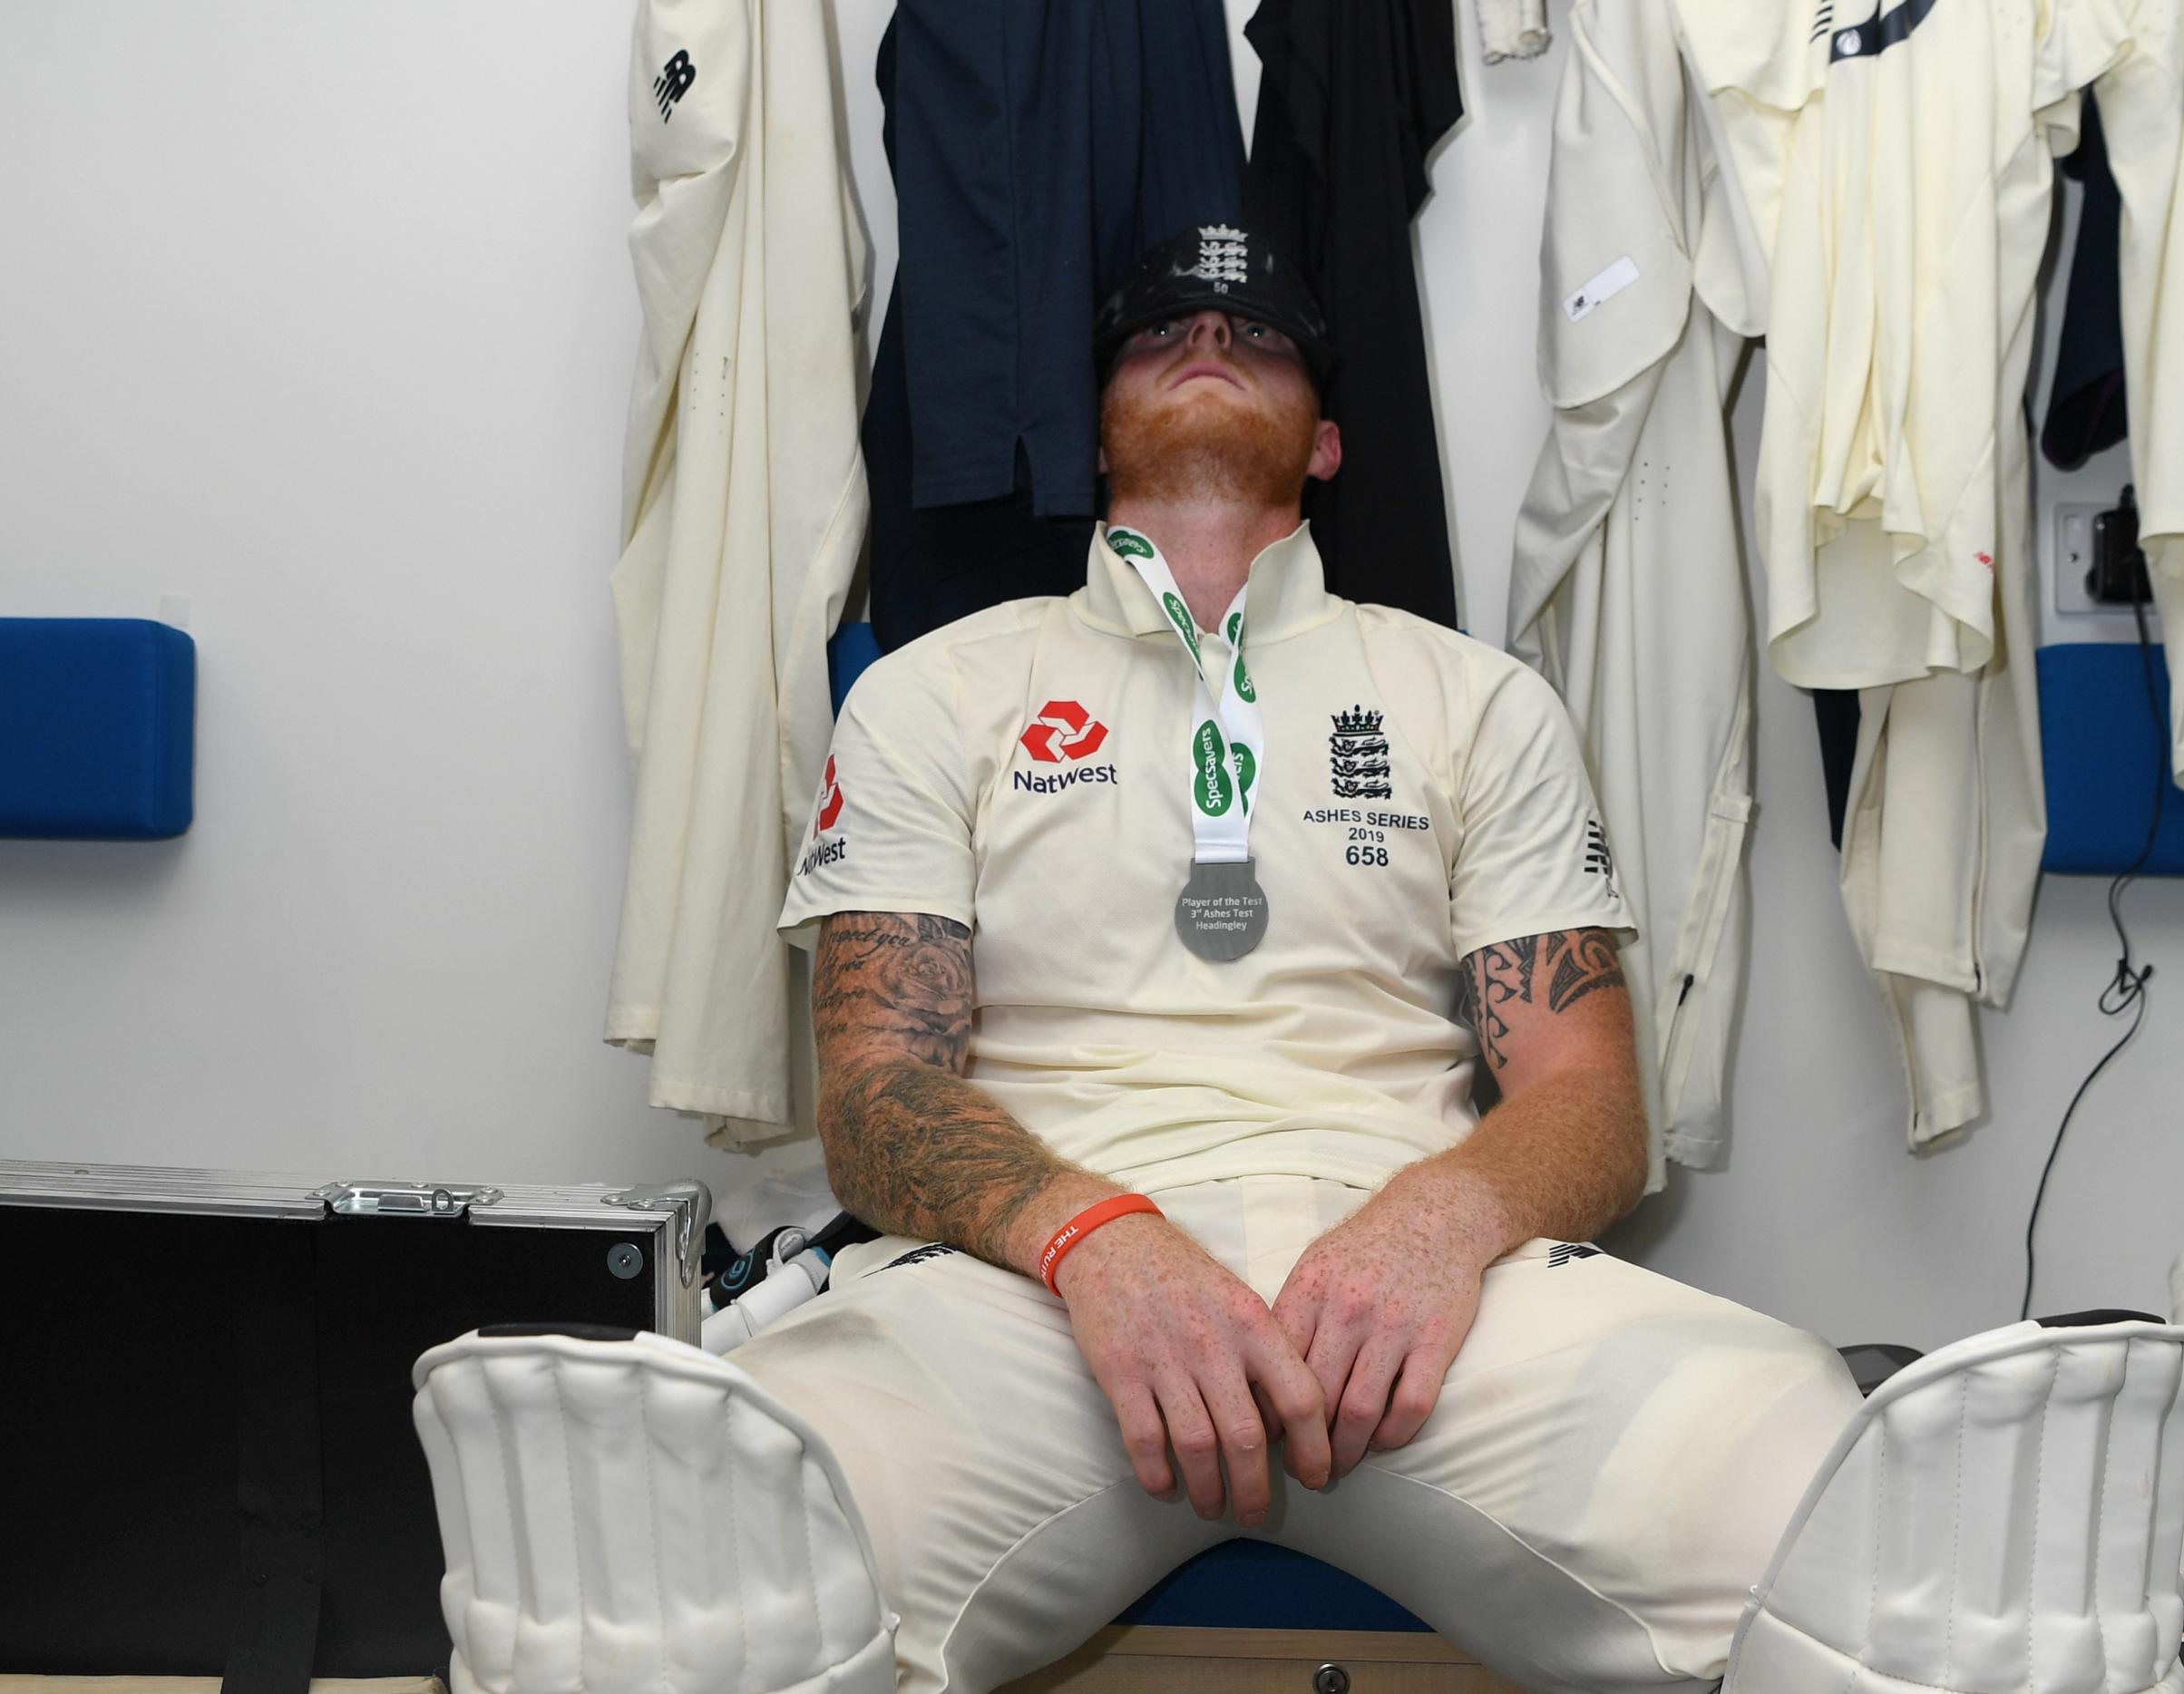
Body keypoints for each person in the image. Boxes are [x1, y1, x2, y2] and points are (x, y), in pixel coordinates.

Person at [745, 224, 1861, 1694]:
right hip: (1036, 1293)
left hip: (1423, 1302)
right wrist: (1099, 1243)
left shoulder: (1479, 699)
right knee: (723, 1517)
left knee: (1831, 1488)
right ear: (1093, 433)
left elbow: (1591, 1101)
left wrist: (1437, 1228)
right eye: (1161, 333)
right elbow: (875, 1092)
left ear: (1328, 443)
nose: (1208, 343)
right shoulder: (930, 691)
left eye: (1256, 334)